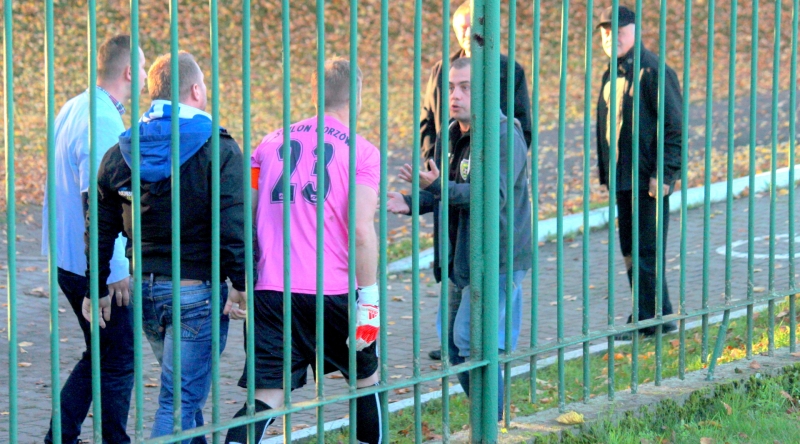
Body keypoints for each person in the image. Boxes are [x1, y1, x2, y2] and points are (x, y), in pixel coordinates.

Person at [87, 50, 248, 442]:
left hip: (145, 291)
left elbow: (99, 224)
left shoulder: (122, 149)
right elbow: (232, 222)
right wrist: (242, 283)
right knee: (177, 402)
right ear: (196, 89)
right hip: (196, 293)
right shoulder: (218, 147)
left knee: (183, 398)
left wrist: (97, 286)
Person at [224, 58, 382, 444]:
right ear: (358, 95)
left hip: (273, 292)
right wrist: (371, 299)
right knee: (363, 381)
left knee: (266, 396)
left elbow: (245, 216)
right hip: (335, 293)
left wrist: (243, 279)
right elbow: (361, 229)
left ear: (314, 93)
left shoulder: (268, 144)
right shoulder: (362, 152)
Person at [387, 57, 532, 419]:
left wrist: (437, 186)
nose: (455, 95)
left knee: (472, 344)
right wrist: (410, 201)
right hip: (458, 256)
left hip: (496, 257)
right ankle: (490, 417)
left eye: (465, 87)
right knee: (454, 348)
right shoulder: (450, 134)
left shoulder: (504, 135)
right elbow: (445, 191)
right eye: (451, 87)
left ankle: (493, 425)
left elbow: (489, 197)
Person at [41, 34, 146, 444]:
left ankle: (61, 436)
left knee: (101, 354)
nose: (143, 79)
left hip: (69, 256)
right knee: (118, 357)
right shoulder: (102, 119)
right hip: (92, 264)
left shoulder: (74, 106)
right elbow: (100, 198)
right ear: (127, 72)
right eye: (140, 69)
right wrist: (114, 269)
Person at [420, 0, 532, 360]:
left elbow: (519, 130)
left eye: (473, 26)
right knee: (457, 341)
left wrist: (497, 163)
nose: (456, 95)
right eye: (461, 26)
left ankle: (493, 400)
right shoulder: (444, 70)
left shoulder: (506, 73)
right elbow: (428, 118)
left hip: (491, 221)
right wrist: (428, 180)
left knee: (480, 340)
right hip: (452, 187)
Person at [595, 5, 682, 339]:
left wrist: (665, 174)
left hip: (648, 180)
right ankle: (659, 315)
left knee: (646, 250)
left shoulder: (653, 71)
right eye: (604, 31)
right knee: (631, 250)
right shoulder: (612, 73)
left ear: (635, 30)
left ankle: (648, 320)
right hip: (621, 178)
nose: (610, 36)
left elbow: (673, 128)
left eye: (618, 30)